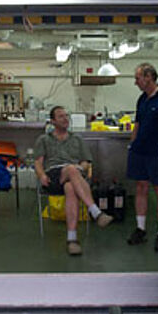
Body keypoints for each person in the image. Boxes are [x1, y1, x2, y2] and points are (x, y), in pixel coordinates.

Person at [34, 106, 114, 256]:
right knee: (71, 169)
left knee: (71, 187)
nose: (65, 119)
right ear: (53, 121)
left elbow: (86, 162)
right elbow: (38, 162)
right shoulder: (44, 139)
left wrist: (80, 168)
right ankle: (95, 212)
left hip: (74, 175)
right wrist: (41, 175)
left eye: (66, 115)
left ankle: (72, 240)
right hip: (53, 175)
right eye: (61, 116)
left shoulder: (77, 139)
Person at [126, 62, 158, 252]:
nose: (135, 82)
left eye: (138, 78)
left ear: (148, 77)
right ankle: (140, 229)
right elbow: (138, 124)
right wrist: (132, 145)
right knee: (140, 187)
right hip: (139, 151)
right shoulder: (142, 99)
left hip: (156, 152)